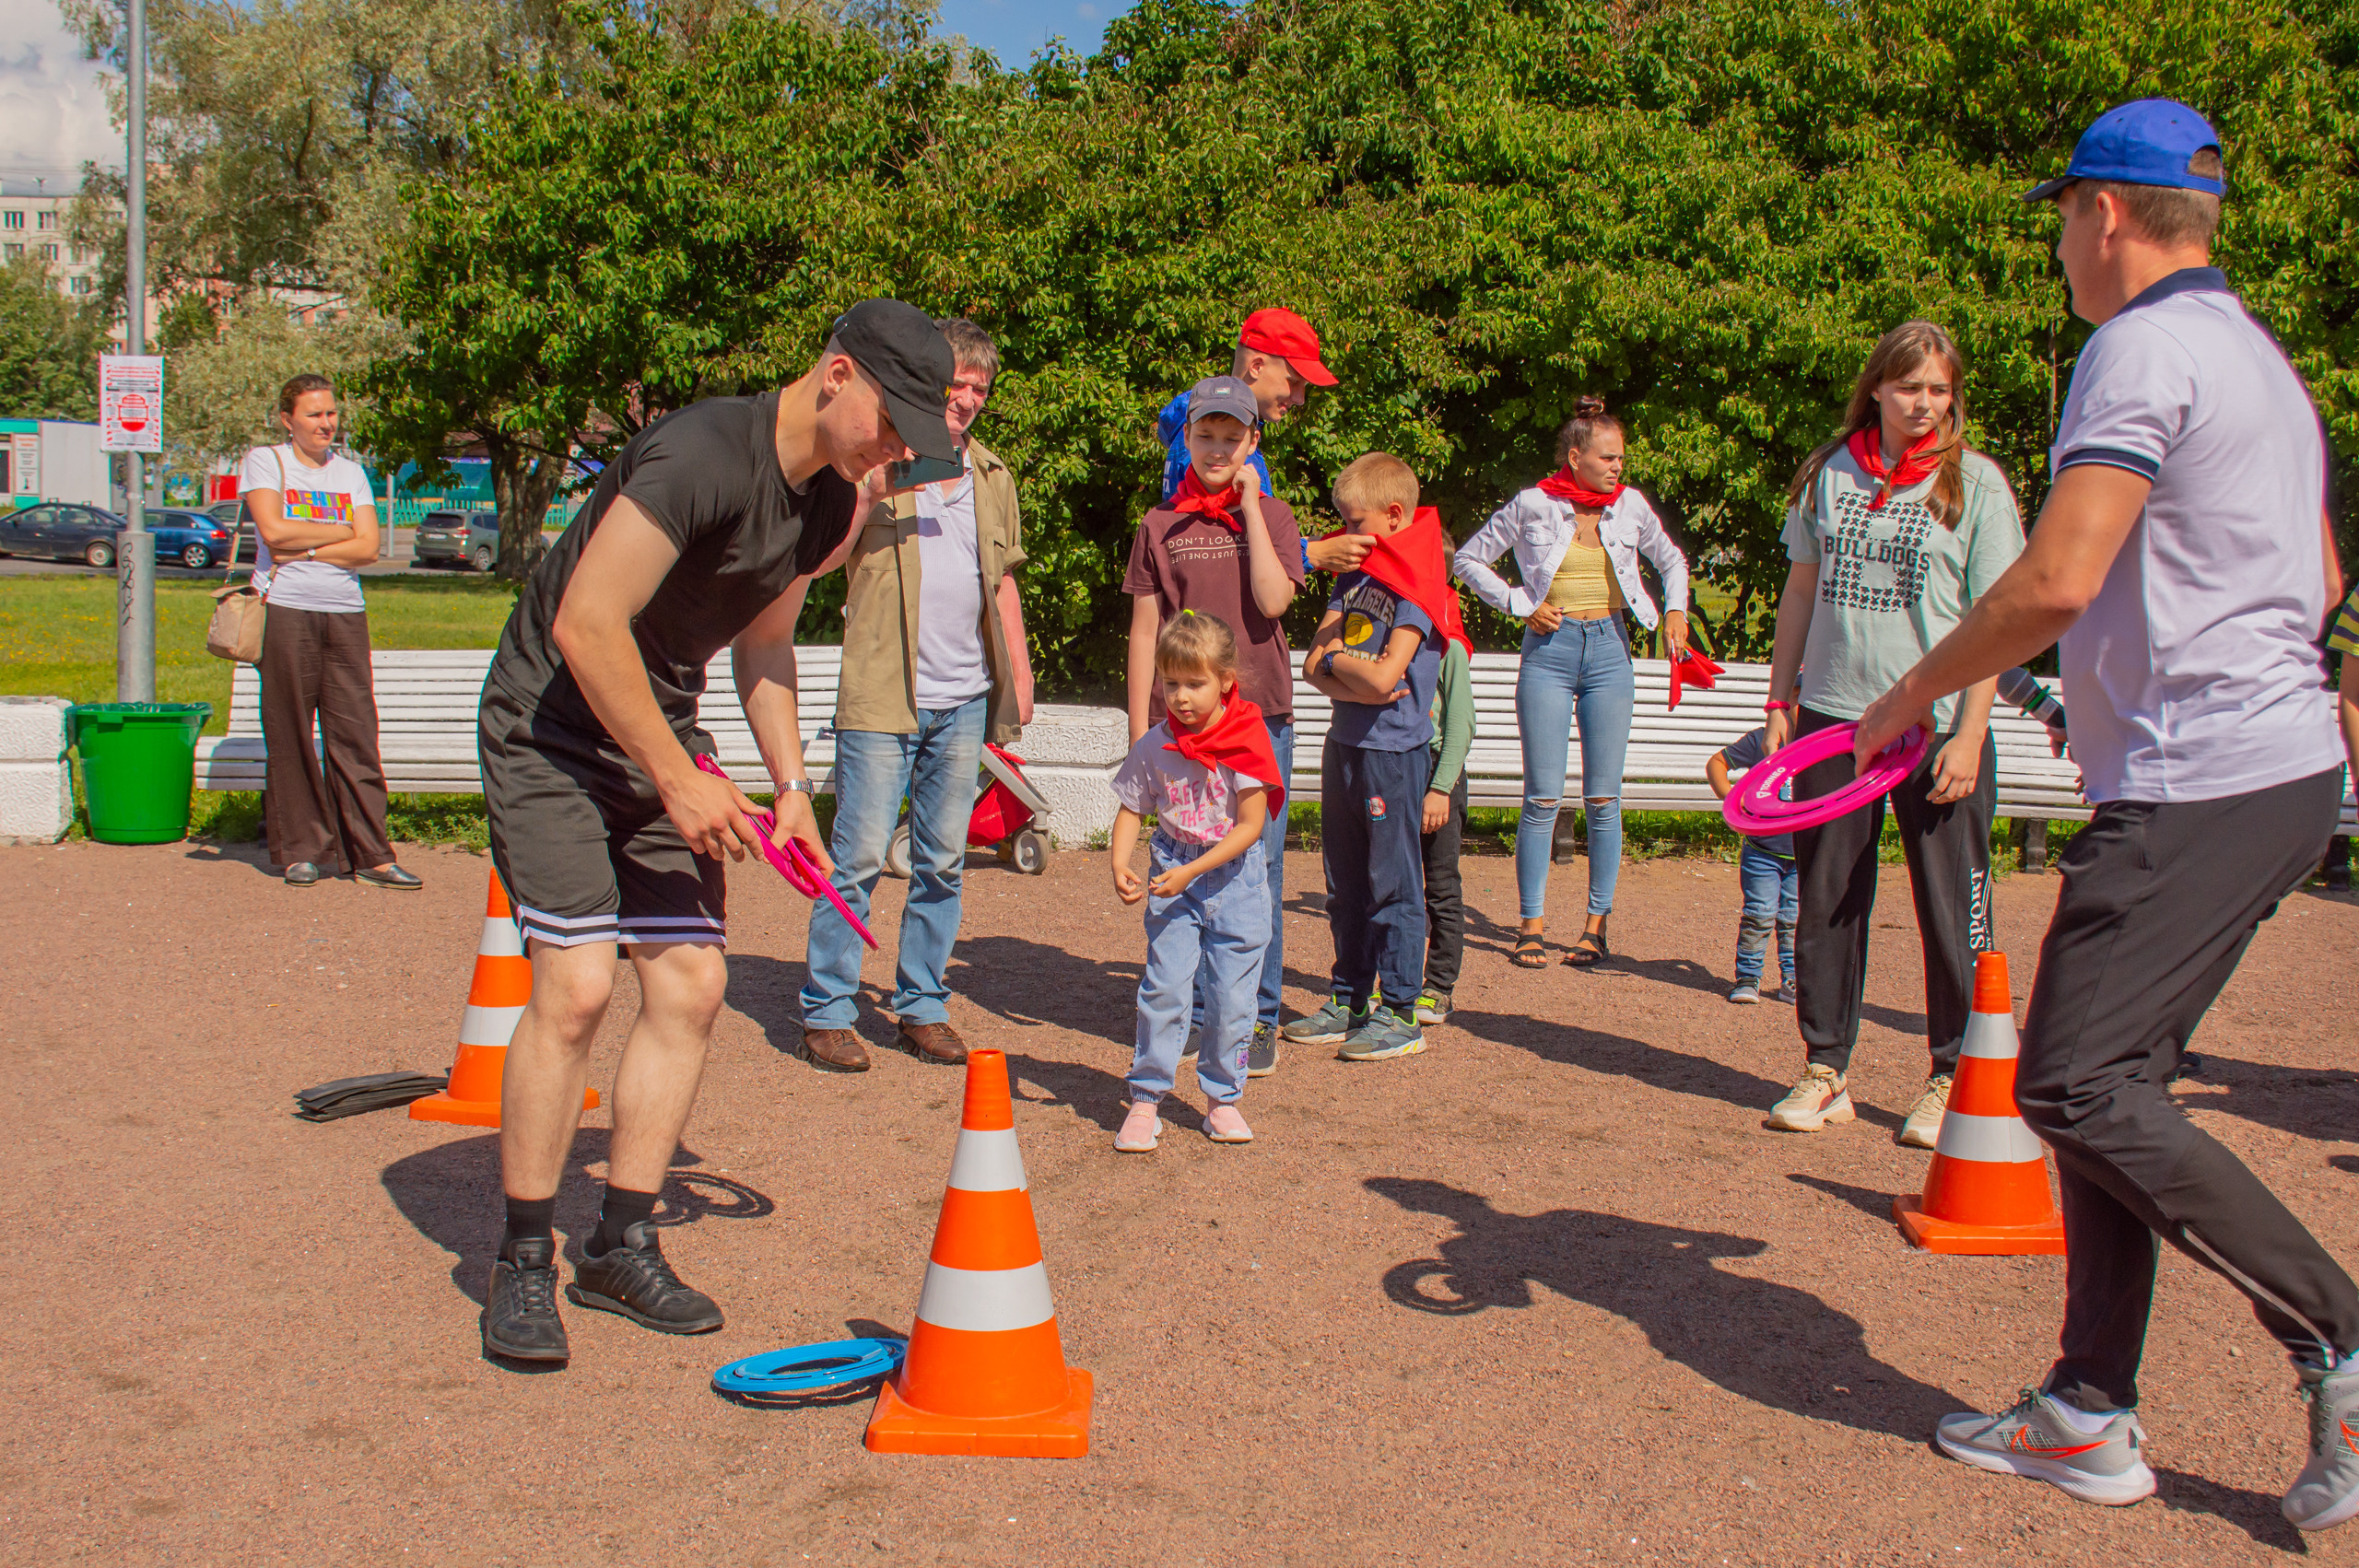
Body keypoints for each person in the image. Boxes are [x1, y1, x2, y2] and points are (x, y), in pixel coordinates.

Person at [1854, 100, 2359, 1528]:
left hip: (2205, 778)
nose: (2062, 245)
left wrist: (1905, 700)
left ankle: (2342, 1335)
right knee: (2106, 1082)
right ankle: (2087, 1407)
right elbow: (2313, 581)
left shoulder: (2133, 348)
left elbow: (2058, 575)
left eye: (2063, 216)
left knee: (2070, 1082)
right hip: (2263, 767)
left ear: (2108, 215)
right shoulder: (2260, 358)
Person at [472, 298, 955, 1364]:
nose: (892, 449)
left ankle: (618, 1244)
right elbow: (585, 624)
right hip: (551, 724)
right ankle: (519, 1259)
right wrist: (675, 775)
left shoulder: (828, 508)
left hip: (658, 736)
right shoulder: (699, 450)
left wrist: (788, 788)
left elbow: (763, 648)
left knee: (690, 984)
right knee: (579, 985)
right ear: (836, 375)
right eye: (889, 419)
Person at [1755, 321, 2025, 1150]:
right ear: (1876, 388)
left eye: (1940, 390)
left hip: (1939, 726)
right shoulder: (1827, 474)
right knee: (1828, 900)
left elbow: (1998, 622)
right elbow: (1800, 594)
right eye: (1911, 388)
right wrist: (1778, 705)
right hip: (1838, 722)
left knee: (1952, 912)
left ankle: (1953, 1072)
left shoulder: (1975, 484)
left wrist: (1971, 732)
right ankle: (1826, 1067)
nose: (1925, 405)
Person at [796, 319, 1031, 1072]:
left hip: (963, 697)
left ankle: (921, 1006)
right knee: (859, 857)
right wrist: (866, 497)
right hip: (881, 695)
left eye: (978, 389)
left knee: (942, 863)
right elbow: (819, 564)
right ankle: (828, 1010)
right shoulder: (870, 460)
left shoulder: (993, 475)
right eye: (954, 384)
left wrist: (1018, 676)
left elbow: (1002, 581)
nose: (965, 399)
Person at [1452, 396, 1691, 968]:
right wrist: (1519, 603)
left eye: (1621, 460)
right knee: (1541, 795)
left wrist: (1676, 610)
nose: (1618, 468)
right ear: (1576, 456)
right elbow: (1467, 559)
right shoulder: (1534, 503)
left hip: (1610, 651)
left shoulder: (1629, 507)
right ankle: (1530, 926)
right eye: (1608, 458)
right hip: (1549, 653)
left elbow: (1673, 560)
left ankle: (1595, 927)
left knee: (1604, 797)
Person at [1123, 376, 1304, 1075]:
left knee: (1256, 866)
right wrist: (1143, 726)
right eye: (1206, 436)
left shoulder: (1277, 517)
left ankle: (1257, 1019)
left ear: (1253, 443)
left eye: (1234, 438)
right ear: (1186, 438)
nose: (1219, 449)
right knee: (1183, 859)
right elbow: (1145, 633)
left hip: (1259, 720)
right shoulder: (1159, 525)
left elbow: (1275, 599)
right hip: (1183, 728)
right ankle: (1203, 1017)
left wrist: (1252, 509)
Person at [1286, 453, 1471, 1062]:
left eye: (1353, 521)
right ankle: (1349, 998)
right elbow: (1314, 665)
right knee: (1343, 884)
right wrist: (1346, 671)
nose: (1344, 534)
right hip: (1344, 745)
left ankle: (1400, 1010)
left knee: (1393, 885)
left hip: (1395, 755)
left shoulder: (1420, 586)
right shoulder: (1352, 579)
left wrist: (1340, 665)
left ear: (1394, 516)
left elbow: (1391, 676)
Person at [1108, 613, 1285, 1152]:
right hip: (1172, 874)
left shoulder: (1246, 740)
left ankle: (1222, 1101)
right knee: (1164, 989)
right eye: (1171, 683)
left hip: (1235, 880)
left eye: (1195, 683)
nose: (1181, 696)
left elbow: (1253, 826)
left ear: (1226, 680)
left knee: (1234, 998)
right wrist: (1119, 861)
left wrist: (1191, 871)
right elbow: (1132, 807)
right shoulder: (1154, 745)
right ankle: (1145, 1100)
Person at [239, 374, 417, 891]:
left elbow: (369, 548)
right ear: (287, 419)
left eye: (331, 413)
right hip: (286, 608)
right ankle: (302, 850)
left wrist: (312, 545)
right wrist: (342, 532)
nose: (326, 423)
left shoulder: (352, 473)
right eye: (314, 414)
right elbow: (272, 530)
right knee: (292, 731)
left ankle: (373, 854)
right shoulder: (266, 461)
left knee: (356, 731)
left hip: (344, 611)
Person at [1706, 726, 1798, 1004]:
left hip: (1803, 854)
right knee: (1759, 914)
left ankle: (1793, 980)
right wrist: (1733, 797)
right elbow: (1717, 763)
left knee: (1795, 919)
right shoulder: (1761, 740)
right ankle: (1747, 978)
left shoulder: (1821, 741)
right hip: (1761, 851)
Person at [1415, 629, 1474, 1026]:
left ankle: (1438, 986)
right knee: (1393, 885)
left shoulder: (1447, 648)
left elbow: (1461, 723)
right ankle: (1397, 978)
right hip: (1396, 767)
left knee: (1440, 887)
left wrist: (1440, 788)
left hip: (1439, 773)